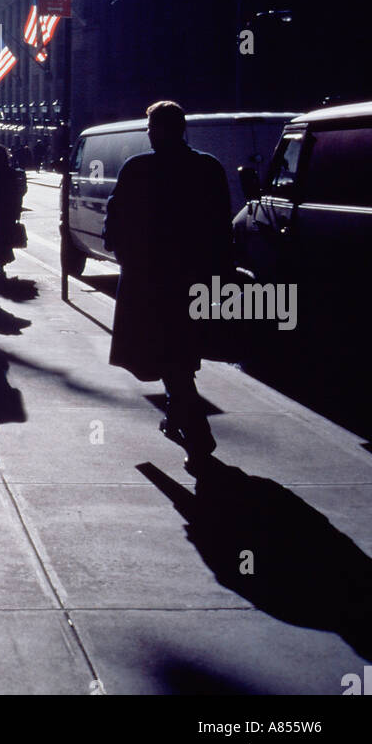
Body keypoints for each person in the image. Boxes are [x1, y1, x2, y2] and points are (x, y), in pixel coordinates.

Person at [104, 100, 233, 473]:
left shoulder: (140, 168)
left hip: (151, 282)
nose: (148, 134)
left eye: (149, 128)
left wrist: (125, 256)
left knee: (168, 357)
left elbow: (117, 222)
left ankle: (197, 432)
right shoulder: (208, 168)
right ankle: (178, 419)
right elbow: (221, 228)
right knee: (181, 352)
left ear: (159, 130)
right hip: (195, 280)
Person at [0, 144, 27, 292]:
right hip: (6, 214)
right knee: (3, 241)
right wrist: (16, 211)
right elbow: (16, 195)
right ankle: (1, 266)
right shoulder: (10, 173)